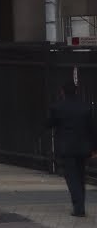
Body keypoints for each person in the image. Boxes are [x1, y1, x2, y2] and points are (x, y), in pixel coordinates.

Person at [47, 80, 97, 217]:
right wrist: (94, 148)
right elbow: (92, 129)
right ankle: (80, 204)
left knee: (71, 177)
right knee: (81, 176)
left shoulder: (57, 107)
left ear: (62, 92)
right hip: (83, 148)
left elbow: (49, 124)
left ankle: (79, 207)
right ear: (76, 91)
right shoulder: (86, 107)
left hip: (66, 147)